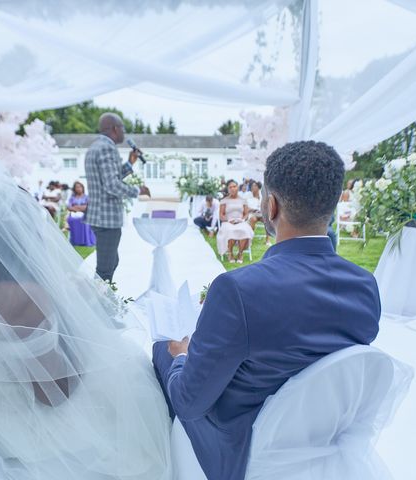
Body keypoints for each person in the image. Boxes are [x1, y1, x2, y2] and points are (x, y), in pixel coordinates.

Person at [152, 141, 381, 480]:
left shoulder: (237, 290)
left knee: (161, 352)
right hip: (322, 436)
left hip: (243, 446)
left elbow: (189, 402)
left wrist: (183, 356)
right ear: (332, 206)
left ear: (270, 206)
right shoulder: (365, 286)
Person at [0, 163, 171, 480]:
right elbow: (54, 394)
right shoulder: (26, 295)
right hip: (29, 433)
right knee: (134, 373)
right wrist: (77, 321)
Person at [84, 112, 150, 282]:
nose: (124, 133)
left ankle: (102, 301)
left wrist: (129, 163)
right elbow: (111, 185)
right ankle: (98, 306)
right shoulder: (107, 148)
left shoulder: (96, 146)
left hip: (98, 216)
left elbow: (108, 177)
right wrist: (138, 190)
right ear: (114, 128)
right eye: (123, 128)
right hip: (106, 219)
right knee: (105, 270)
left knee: (112, 262)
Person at [216, 180, 254, 264]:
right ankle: (230, 253)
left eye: (234, 186)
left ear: (237, 187)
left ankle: (240, 253)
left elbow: (246, 213)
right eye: (230, 187)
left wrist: (242, 219)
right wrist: (228, 220)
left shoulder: (243, 200)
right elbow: (221, 215)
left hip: (240, 221)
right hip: (228, 222)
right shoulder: (224, 200)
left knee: (245, 229)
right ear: (228, 189)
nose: (233, 188)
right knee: (229, 230)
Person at [66, 181, 96, 247]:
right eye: (77, 187)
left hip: (85, 214)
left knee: (84, 219)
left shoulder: (86, 197)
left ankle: (85, 240)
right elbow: (69, 207)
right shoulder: (72, 198)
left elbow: (87, 207)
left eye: (80, 187)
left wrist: (76, 207)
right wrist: (80, 208)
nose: (78, 188)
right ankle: (75, 240)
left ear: (82, 188)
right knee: (71, 219)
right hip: (74, 214)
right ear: (74, 189)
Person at [246, 181, 271, 247]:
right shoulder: (248, 195)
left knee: (267, 220)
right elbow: (246, 207)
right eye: (252, 186)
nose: (252, 187)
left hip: (261, 213)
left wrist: (262, 209)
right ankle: (250, 239)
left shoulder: (262, 195)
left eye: (254, 186)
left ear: (258, 188)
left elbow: (266, 205)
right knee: (253, 219)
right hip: (252, 213)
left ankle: (267, 240)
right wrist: (253, 209)